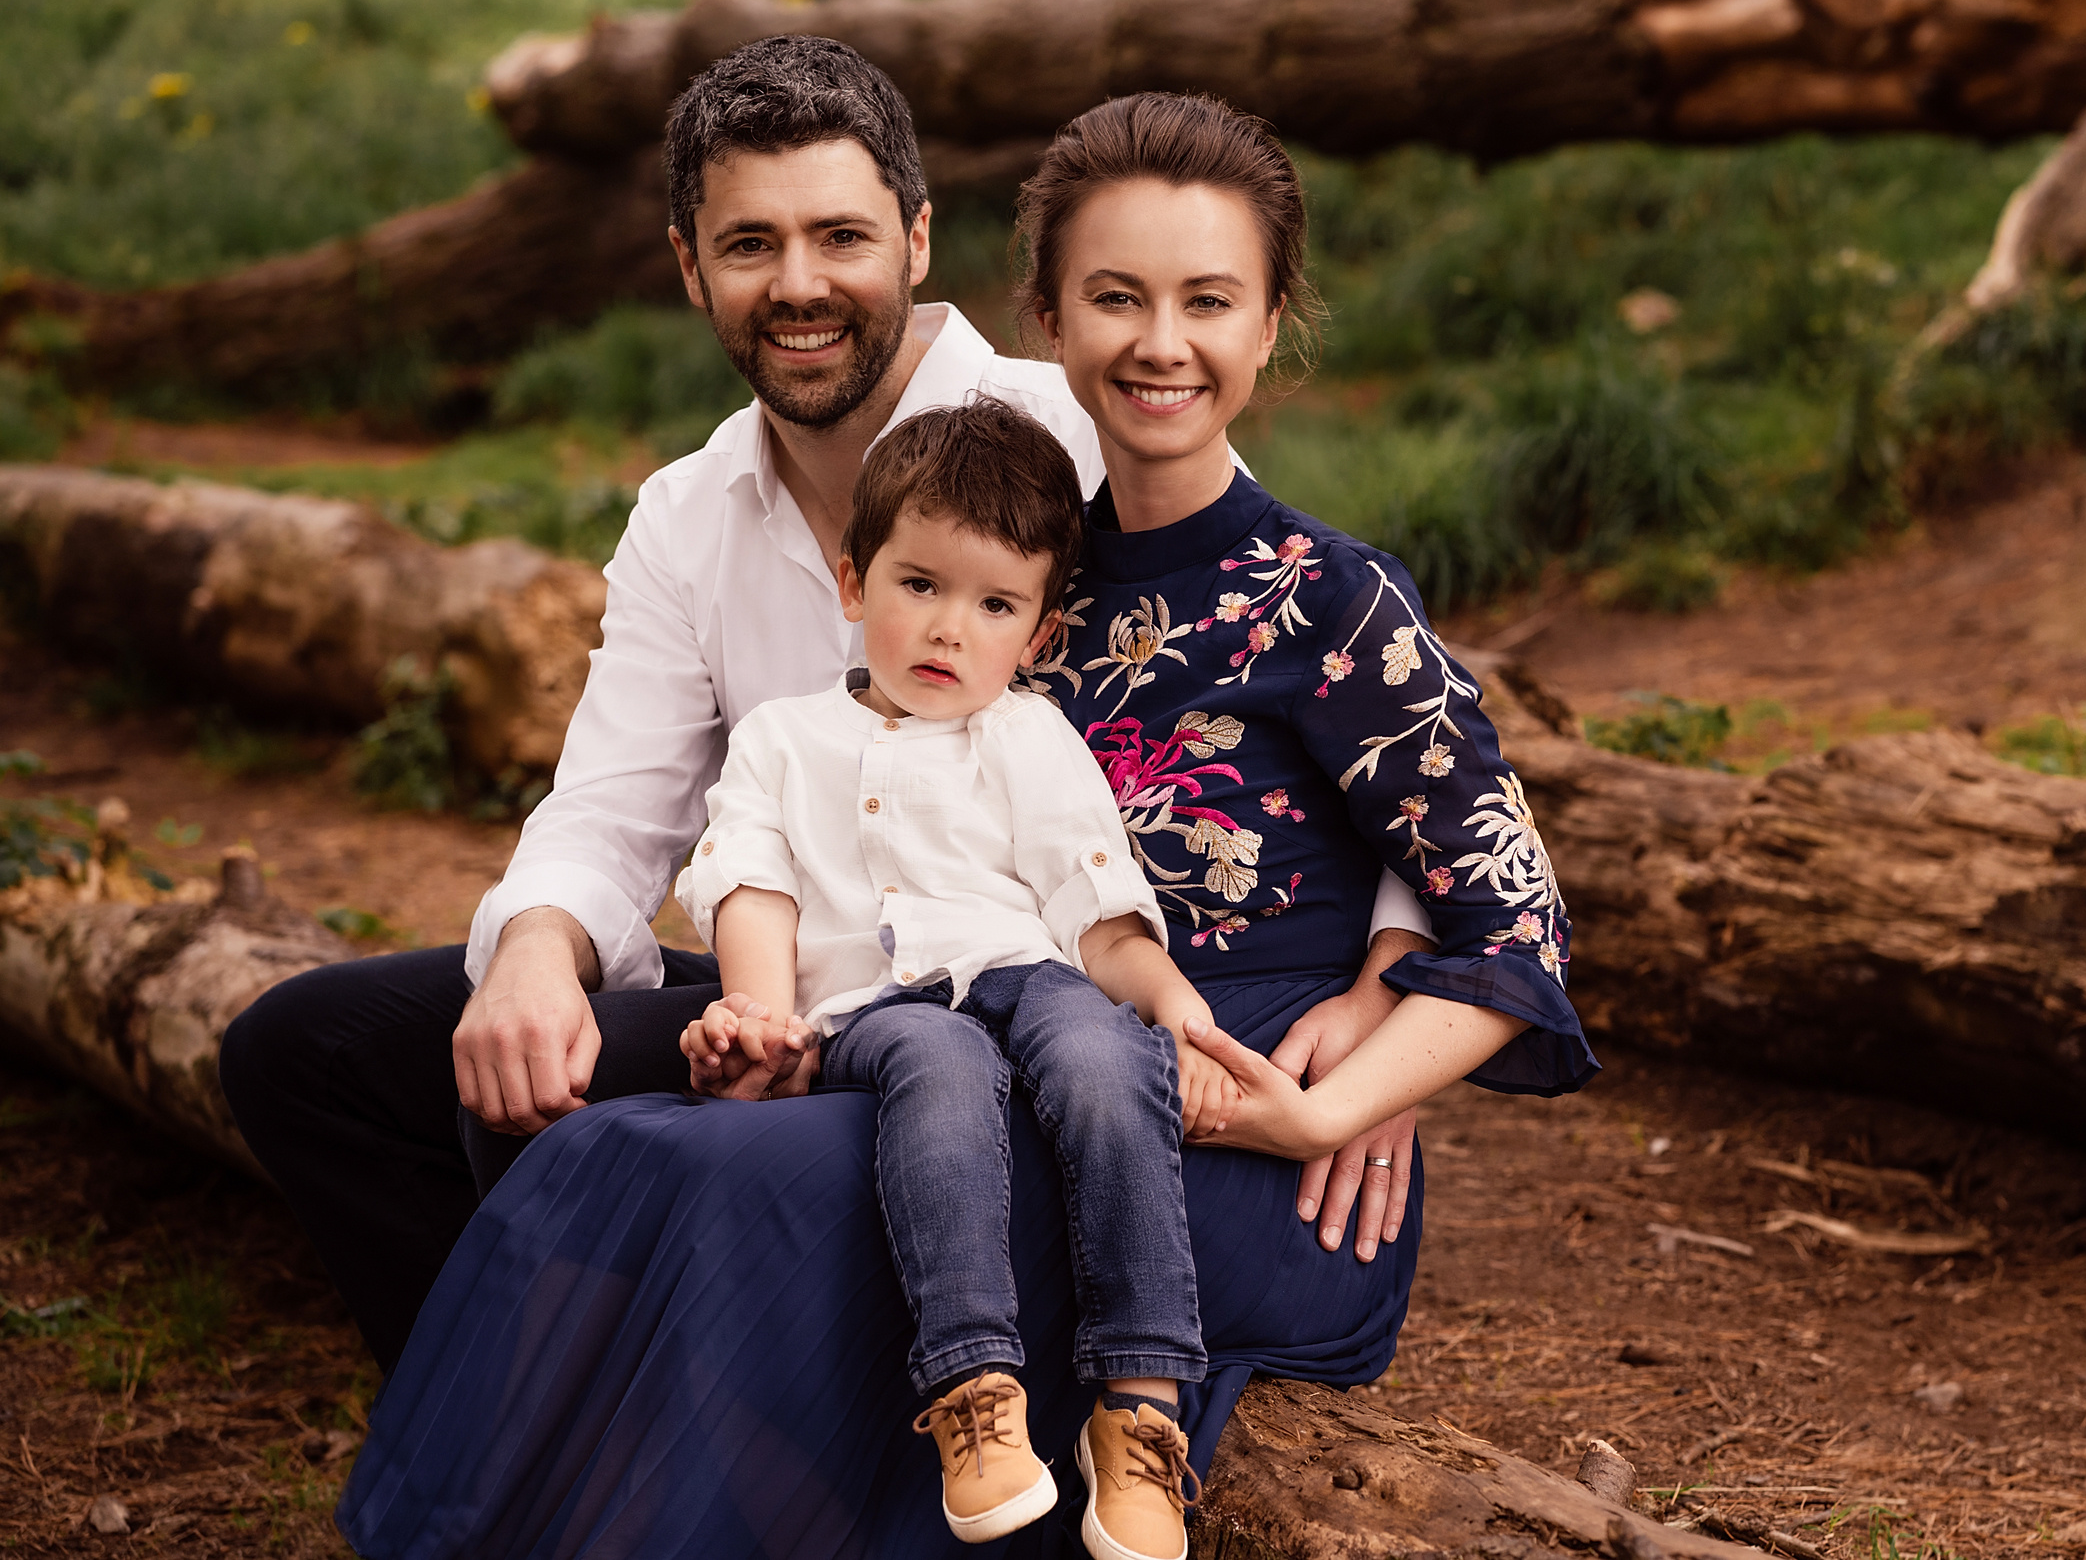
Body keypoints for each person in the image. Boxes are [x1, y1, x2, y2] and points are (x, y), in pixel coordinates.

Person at [330, 87, 1595, 1560]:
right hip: (994, 1031)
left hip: (1222, 1116)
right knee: (610, 1119)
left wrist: (1353, 1083)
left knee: (728, 1173)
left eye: (1208, 301)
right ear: (1049, 322)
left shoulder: (1324, 592)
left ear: (1270, 327)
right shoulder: (1009, 571)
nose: (1160, 343)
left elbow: (1511, 903)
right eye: (1114, 298)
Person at [215, 34, 1433, 1379]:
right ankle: (507, 1406)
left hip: (1017, 1006)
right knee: (310, 1051)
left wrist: (1387, 1006)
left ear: (916, 240)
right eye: (750, 244)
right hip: (803, 981)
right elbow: (613, 809)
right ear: (690, 267)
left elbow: (1318, 668)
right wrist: (535, 947)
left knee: (659, 1107)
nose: (799, 285)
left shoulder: (1086, 430)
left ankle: (650, 1406)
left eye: (840, 236)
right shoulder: (689, 512)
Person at [672, 396, 1232, 1558]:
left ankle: (1138, 1408)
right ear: (853, 582)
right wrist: (760, 1014)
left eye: (993, 606)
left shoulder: (1026, 735)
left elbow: (1093, 912)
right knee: (937, 1063)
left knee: (1104, 1060)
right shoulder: (783, 739)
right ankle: (974, 1392)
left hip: (1027, 976)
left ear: (1036, 633)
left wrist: (1174, 1009)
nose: (947, 630)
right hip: (871, 1008)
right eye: (918, 584)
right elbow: (750, 880)